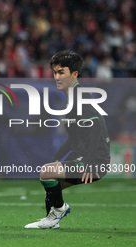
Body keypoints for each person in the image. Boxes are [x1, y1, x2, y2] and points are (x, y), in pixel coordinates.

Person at [24, 50, 110, 229]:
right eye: (55, 72)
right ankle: (51, 221)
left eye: (61, 72)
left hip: (93, 160)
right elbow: (74, 137)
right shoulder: (72, 98)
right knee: (52, 185)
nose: (56, 77)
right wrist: (58, 156)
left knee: (47, 173)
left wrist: (89, 162)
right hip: (87, 157)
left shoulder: (80, 97)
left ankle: (60, 210)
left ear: (74, 74)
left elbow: (95, 127)